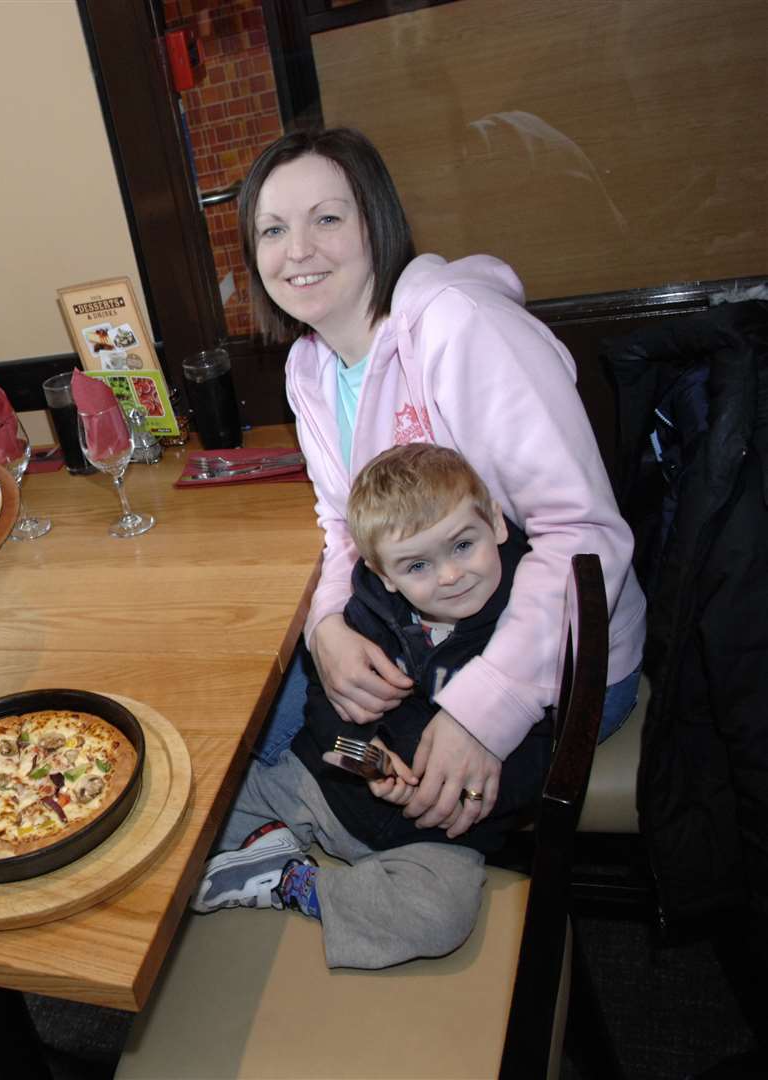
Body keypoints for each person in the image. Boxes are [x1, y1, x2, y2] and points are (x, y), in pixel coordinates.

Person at [239, 127, 644, 841]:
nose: (296, 250)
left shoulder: (461, 326)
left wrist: (486, 709)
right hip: (416, 635)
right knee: (247, 724)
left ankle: (360, 882)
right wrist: (325, 625)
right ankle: (305, 849)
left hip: (558, 659)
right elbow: (340, 526)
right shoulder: (309, 368)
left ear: (378, 222)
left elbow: (584, 535)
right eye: (273, 229)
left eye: (327, 218)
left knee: (358, 786)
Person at [193, 444, 551, 968]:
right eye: (419, 564)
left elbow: (543, 750)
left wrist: (465, 797)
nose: (450, 576)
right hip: (322, 787)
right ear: (384, 574)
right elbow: (324, 707)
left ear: (496, 522)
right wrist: (366, 760)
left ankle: (297, 883)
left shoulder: (528, 620)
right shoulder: (370, 612)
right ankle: (270, 847)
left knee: (437, 917)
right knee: (197, 822)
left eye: (463, 545)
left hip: (433, 838)